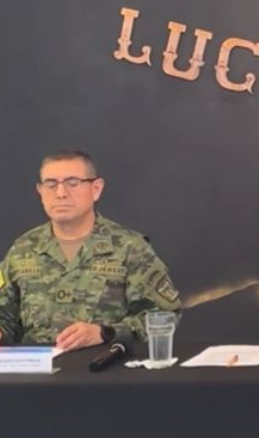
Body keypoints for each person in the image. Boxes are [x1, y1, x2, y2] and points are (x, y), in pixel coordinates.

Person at [0, 150, 180, 350]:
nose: (60, 193)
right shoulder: (22, 248)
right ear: (40, 192)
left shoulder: (130, 247)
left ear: (96, 189)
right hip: (37, 372)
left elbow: (165, 316)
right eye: (51, 184)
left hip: (103, 371)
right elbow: (4, 315)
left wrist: (105, 332)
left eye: (72, 183)